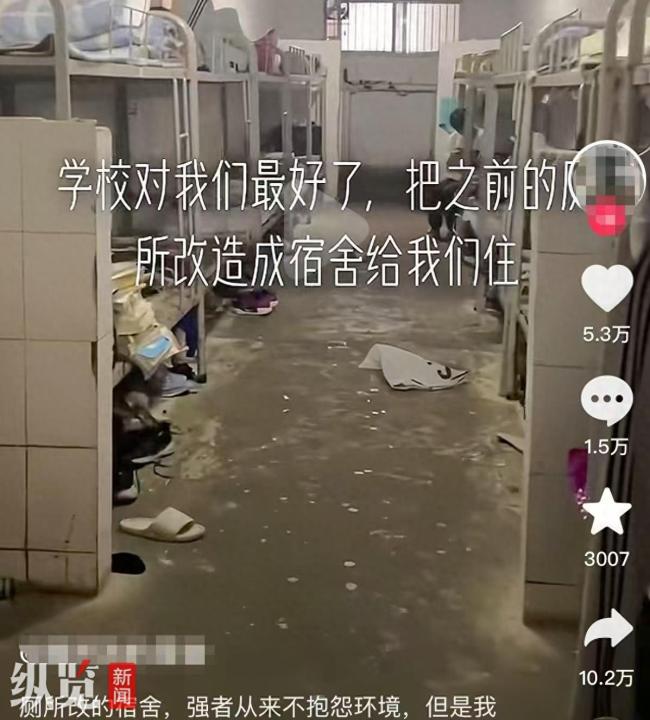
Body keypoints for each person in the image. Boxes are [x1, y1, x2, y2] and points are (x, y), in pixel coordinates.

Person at [427, 107, 481, 240]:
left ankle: (453, 230)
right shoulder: (455, 138)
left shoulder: (481, 137)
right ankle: (435, 228)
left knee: (450, 193)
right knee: (434, 192)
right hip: (455, 176)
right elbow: (450, 163)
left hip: (473, 178)